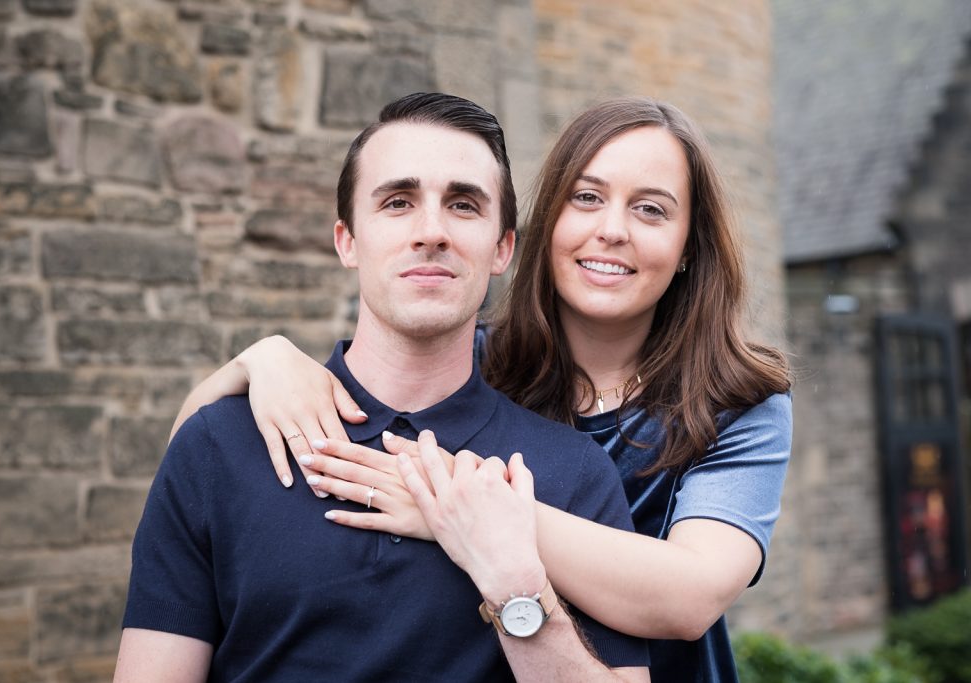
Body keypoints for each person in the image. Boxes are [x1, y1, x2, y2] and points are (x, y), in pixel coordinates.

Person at [172, 96, 793, 682]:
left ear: (689, 246)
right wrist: (260, 360)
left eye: (651, 209)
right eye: (587, 197)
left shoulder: (738, 402)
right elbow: (194, 469)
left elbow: (689, 598)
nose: (613, 230)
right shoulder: (475, 360)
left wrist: (457, 509)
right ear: (543, 224)